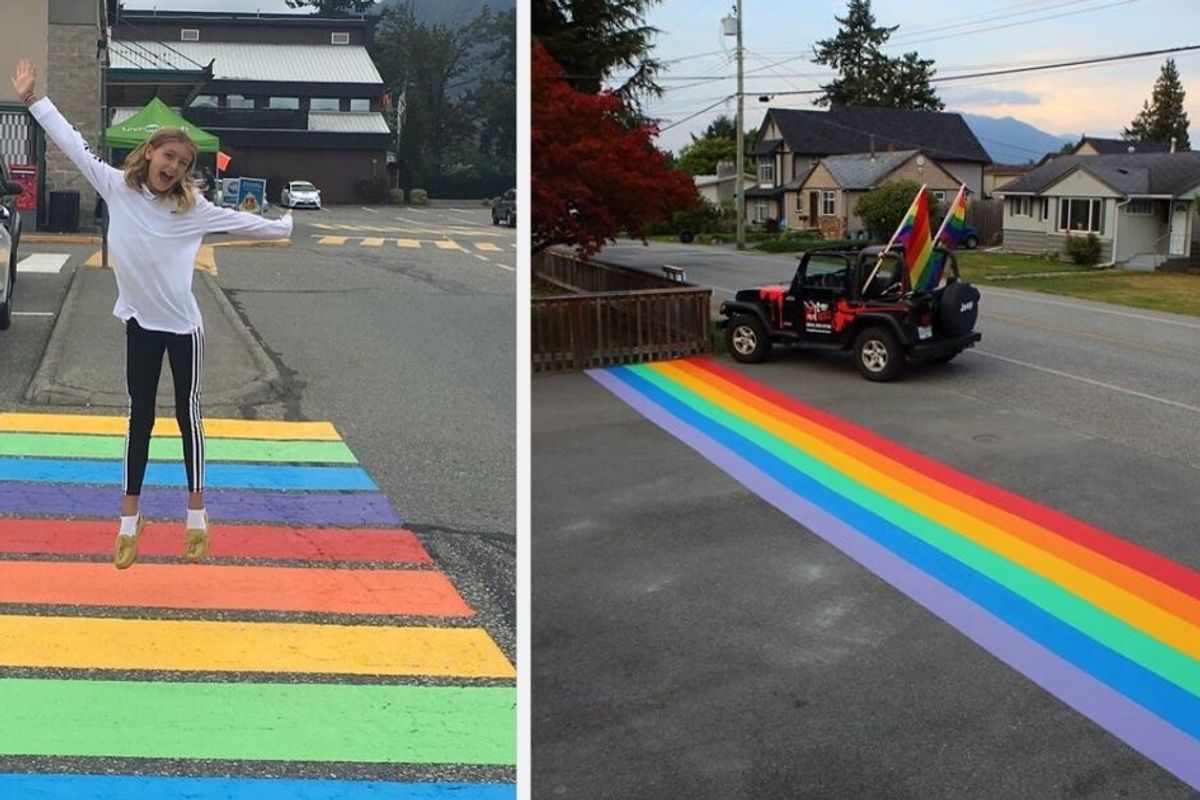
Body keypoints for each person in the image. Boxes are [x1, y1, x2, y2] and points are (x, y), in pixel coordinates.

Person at [11, 58, 293, 569]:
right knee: (138, 419)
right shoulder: (117, 187)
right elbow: (73, 144)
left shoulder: (191, 209)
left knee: (189, 418)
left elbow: (239, 223)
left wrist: (284, 226)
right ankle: (129, 519)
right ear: (150, 154)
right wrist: (33, 100)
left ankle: (196, 515)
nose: (176, 168)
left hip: (184, 329)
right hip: (141, 324)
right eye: (170, 157)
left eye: (184, 163)